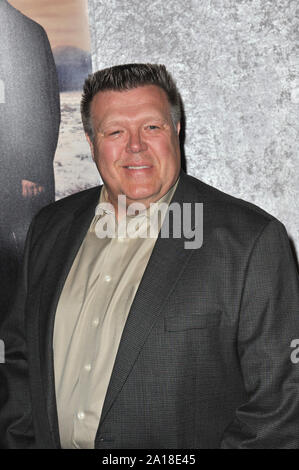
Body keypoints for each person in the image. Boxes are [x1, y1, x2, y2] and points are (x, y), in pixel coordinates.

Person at [0, 63, 299, 449]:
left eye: (151, 127)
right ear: (92, 144)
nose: (135, 145)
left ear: (176, 131)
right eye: (115, 131)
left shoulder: (250, 242)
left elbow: (280, 406)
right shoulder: (49, 228)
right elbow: (20, 363)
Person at [0, 0, 60, 317]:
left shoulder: (24, 34)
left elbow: (42, 115)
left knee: (18, 281)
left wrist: (33, 179)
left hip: (16, 186)